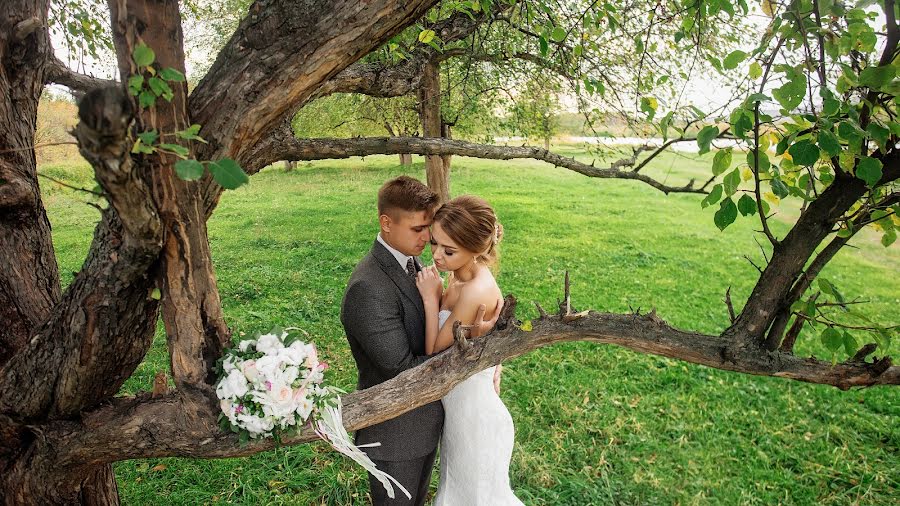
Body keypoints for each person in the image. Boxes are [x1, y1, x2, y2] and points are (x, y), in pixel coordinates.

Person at [340, 177, 500, 506]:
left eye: (428, 227)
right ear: (386, 223)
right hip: (396, 434)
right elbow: (404, 371)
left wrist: (488, 356)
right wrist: (478, 355)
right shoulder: (368, 288)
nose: (427, 239)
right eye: (417, 229)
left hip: (431, 422)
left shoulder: (410, 261)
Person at [414, 195, 523, 505]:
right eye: (434, 243)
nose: (436, 255)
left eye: (448, 251)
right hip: (459, 413)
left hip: (475, 420)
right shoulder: (460, 275)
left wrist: (430, 298)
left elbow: (435, 350)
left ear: (476, 250)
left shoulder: (476, 290)